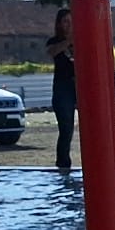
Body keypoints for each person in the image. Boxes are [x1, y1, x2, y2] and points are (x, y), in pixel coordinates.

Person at [47, 9, 76, 170]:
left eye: (71, 21)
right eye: (65, 21)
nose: (69, 25)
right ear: (59, 24)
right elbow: (51, 52)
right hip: (62, 87)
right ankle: (63, 163)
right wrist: (68, 41)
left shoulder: (82, 40)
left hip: (79, 84)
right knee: (66, 128)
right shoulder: (54, 41)